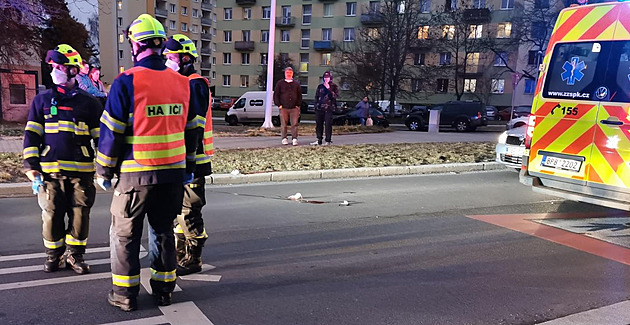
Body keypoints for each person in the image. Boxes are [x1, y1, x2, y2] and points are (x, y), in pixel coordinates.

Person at [96, 14, 200, 312]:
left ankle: (125, 295)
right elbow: (192, 131)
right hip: (173, 175)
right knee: (164, 231)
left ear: (135, 45)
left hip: (134, 176)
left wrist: (104, 170)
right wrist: (188, 168)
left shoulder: (126, 81)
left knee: (124, 236)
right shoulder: (183, 83)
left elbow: (111, 132)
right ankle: (164, 290)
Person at [23, 44, 102, 275]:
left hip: (81, 174)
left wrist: (107, 169)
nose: (54, 71)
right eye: (53, 67)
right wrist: (31, 168)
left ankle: (74, 256)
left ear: (73, 71)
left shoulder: (90, 103)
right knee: (51, 215)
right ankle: (53, 256)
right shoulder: (42, 100)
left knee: (80, 215)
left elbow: (101, 139)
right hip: (50, 173)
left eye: (59, 67)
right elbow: (32, 135)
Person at [163, 34, 214, 275]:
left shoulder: (195, 83)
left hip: (193, 160)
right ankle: (180, 253)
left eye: (171, 57)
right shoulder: (178, 83)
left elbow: (191, 124)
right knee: (176, 211)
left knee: (189, 211)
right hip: (177, 158)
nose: (168, 61)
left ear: (185, 57)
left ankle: (193, 257)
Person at [273, 67, 302, 146]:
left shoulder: (296, 84)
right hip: (283, 108)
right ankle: (284, 138)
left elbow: (299, 95)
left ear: (292, 74)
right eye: (287, 73)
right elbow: (276, 95)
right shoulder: (280, 83)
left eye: (290, 73)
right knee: (284, 124)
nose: (288, 74)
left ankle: (294, 138)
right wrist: (279, 104)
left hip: (294, 108)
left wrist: (298, 105)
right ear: (285, 73)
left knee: (294, 124)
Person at [311, 71, 339, 146]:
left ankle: (328, 140)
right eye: (325, 77)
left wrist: (329, 88)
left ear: (330, 78)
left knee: (328, 124)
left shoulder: (334, 87)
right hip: (320, 108)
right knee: (319, 124)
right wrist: (315, 106)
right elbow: (316, 97)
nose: (326, 79)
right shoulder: (320, 87)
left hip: (329, 108)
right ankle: (319, 139)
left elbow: (335, 96)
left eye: (328, 77)